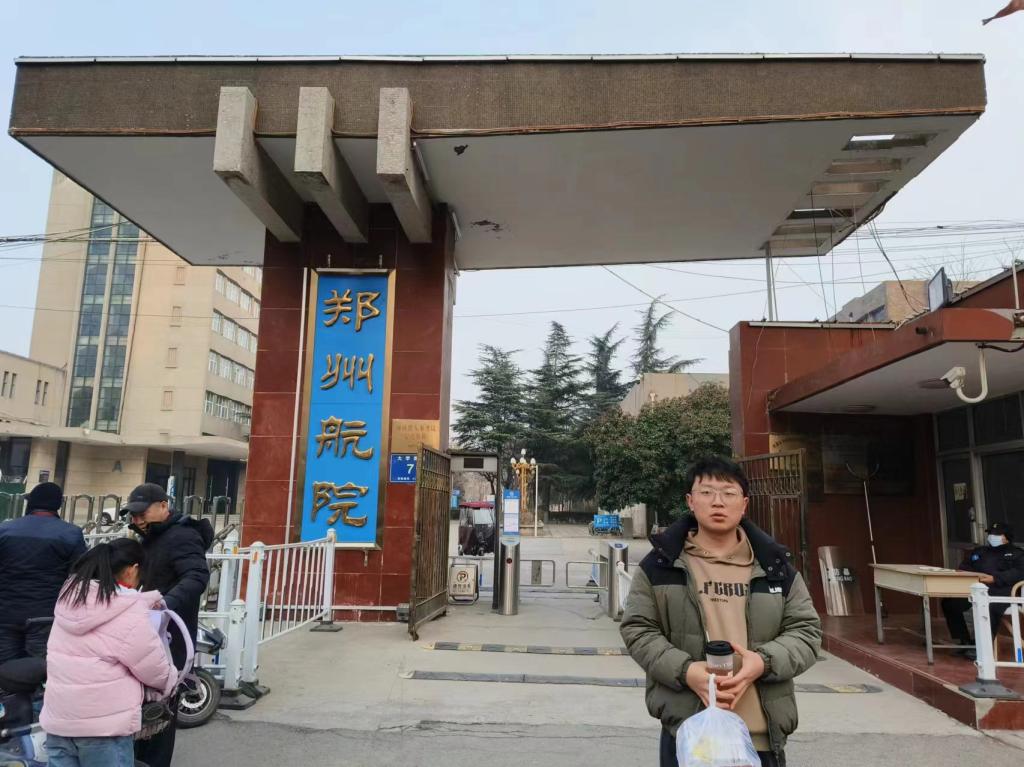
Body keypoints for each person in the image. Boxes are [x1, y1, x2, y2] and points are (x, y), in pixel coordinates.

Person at [620, 456, 822, 767]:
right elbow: (638, 629)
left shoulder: (775, 568)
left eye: (728, 493)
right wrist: (686, 672)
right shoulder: (661, 566)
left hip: (759, 737)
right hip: (691, 734)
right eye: (706, 492)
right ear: (690, 501)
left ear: (744, 504)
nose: (718, 502)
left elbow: (806, 632)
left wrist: (763, 663)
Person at [41, 538, 177, 767]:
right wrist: (171, 681)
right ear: (132, 570)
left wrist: (145, 600)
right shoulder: (128, 612)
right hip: (103, 731)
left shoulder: (70, 601)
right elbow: (153, 668)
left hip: (59, 724)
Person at [122, 482, 213, 767]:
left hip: (169, 638)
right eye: (133, 515)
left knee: (159, 717)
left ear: (164, 506)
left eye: (142, 513)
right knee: (141, 715)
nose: (137, 520)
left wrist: (163, 605)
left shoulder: (182, 536)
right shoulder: (150, 538)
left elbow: (197, 576)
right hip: (145, 635)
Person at [0, 482, 86, 664]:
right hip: (46, 615)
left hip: (5, 612)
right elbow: (79, 576)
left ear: (31, 503)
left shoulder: (4, 530)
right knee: (40, 670)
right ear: (57, 505)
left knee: (5, 668)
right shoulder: (71, 534)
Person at [942, 521, 1024, 659]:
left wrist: (995, 578)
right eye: (991, 533)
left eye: (996, 534)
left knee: (988, 606)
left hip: (1002, 592)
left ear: (1006, 537)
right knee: (950, 603)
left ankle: (981, 647)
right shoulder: (980, 552)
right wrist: (967, 574)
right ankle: (964, 641)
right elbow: (964, 566)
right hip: (976, 589)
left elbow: (1020, 572)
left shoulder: (1017, 554)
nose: (992, 536)